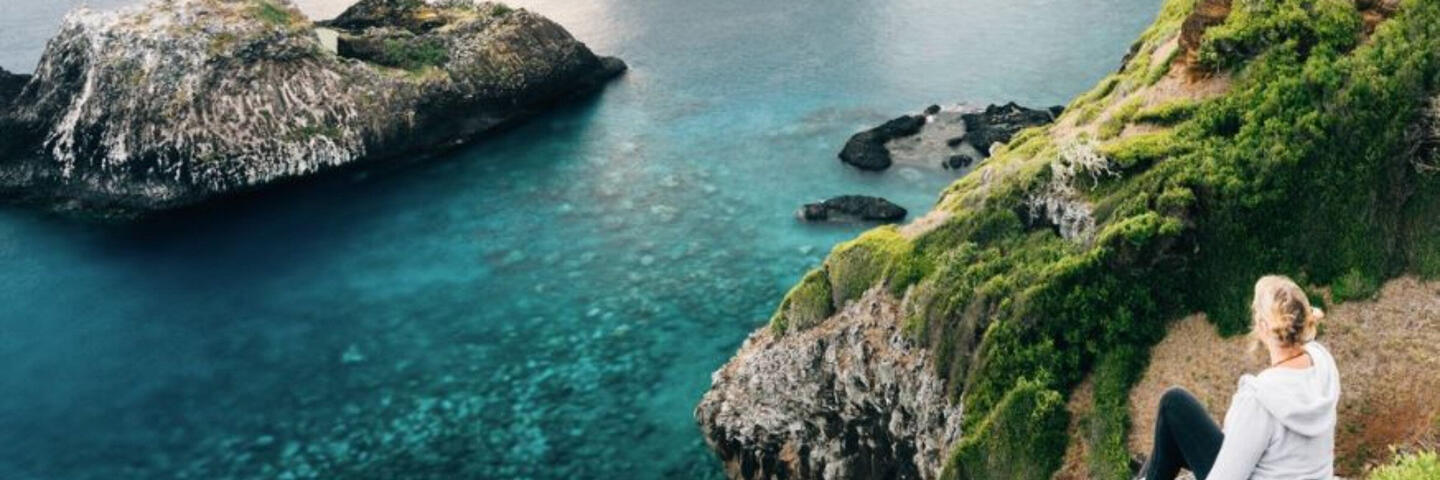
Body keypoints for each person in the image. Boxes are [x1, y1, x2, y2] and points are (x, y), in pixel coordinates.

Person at [1139, 275, 1340, 480]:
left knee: (1173, 404)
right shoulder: (1323, 364)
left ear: (1262, 326)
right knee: (1174, 439)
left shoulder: (1259, 399)